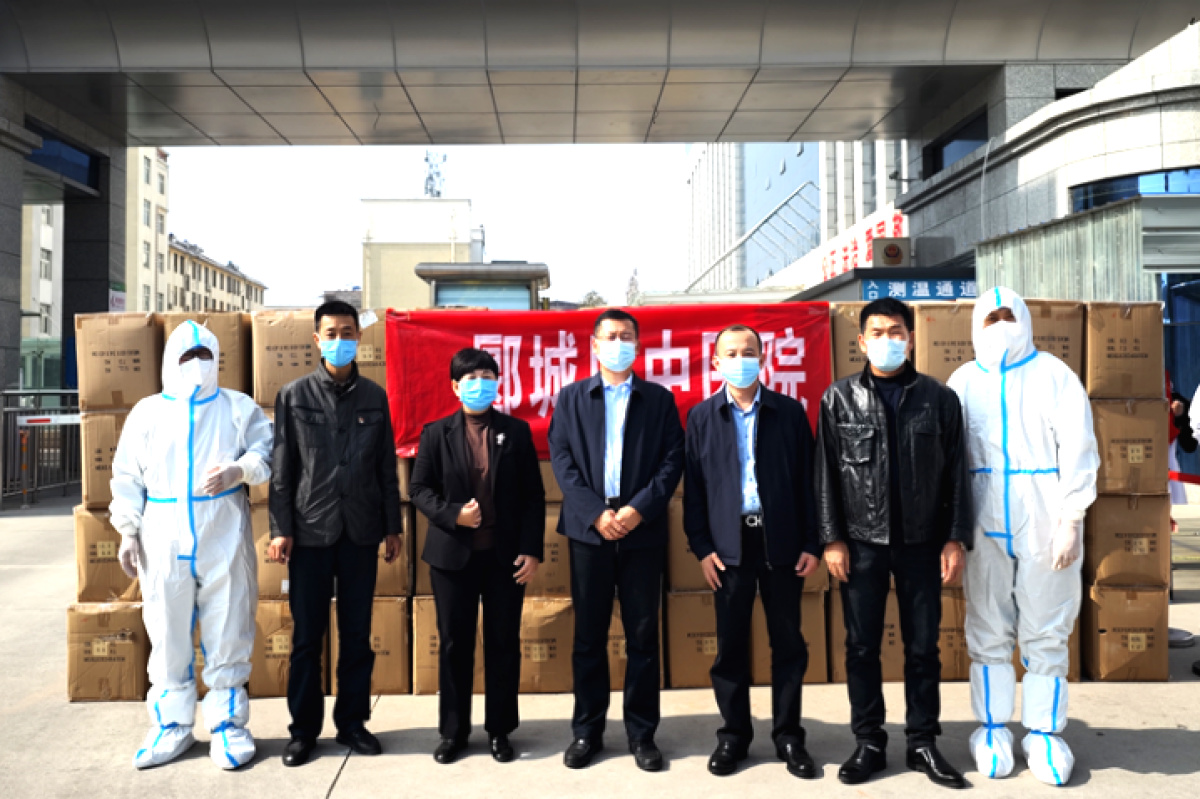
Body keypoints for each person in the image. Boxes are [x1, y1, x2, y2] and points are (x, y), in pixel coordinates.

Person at [815, 297, 972, 789]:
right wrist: (832, 538)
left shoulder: (938, 399)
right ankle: (869, 742)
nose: (888, 341)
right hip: (862, 543)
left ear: (911, 338)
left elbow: (956, 475)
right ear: (862, 342)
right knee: (862, 647)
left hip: (922, 543)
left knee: (923, 647)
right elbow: (825, 474)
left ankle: (923, 742)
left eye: (896, 332)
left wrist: (955, 538)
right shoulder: (838, 399)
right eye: (878, 333)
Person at [947, 287, 1099, 786]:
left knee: (1047, 626)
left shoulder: (1054, 375)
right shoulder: (963, 381)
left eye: (1008, 316)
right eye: (991, 318)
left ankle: (1044, 732)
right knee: (987, 627)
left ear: (1026, 320)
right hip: (981, 517)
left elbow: (1078, 447)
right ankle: (992, 729)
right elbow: (948, 457)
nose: (1001, 326)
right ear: (976, 325)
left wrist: (1071, 517)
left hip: (1043, 515)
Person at [110, 321, 272, 770]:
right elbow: (127, 475)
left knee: (229, 625)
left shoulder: (237, 407)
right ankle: (171, 725)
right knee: (167, 631)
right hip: (162, 533)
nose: (197, 365)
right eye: (187, 356)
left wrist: (239, 470)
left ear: (217, 359)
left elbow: (266, 450)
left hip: (222, 529)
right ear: (170, 361)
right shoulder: (147, 413)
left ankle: (228, 724)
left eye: (205, 356)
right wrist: (127, 529)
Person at [547, 308, 684, 772]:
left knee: (643, 636)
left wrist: (637, 509)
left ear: (638, 345)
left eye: (627, 337)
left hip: (641, 531)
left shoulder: (658, 400)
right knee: (589, 636)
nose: (618, 344)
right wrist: (595, 513)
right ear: (594, 344)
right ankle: (587, 731)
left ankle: (642, 734)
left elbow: (672, 460)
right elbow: (562, 460)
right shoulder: (571, 398)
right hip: (589, 532)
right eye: (610, 336)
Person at [683, 324, 822, 779]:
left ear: (763, 359)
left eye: (749, 352)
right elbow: (694, 491)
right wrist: (702, 548)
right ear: (715, 362)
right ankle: (734, 735)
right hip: (728, 546)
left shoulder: (789, 412)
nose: (740, 360)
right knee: (730, 646)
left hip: (781, 542)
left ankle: (788, 736)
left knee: (788, 643)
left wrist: (812, 542)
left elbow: (809, 481)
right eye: (731, 353)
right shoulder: (702, 417)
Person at [268, 301, 403, 767]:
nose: (340, 340)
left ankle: (352, 723)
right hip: (309, 533)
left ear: (359, 338)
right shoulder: (293, 396)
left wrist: (392, 526)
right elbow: (282, 470)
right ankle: (303, 732)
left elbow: (386, 467)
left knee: (357, 635)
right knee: (307, 638)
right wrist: (280, 529)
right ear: (316, 340)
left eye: (348, 332)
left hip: (361, 532)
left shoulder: (374, 396)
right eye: (331, 333)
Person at [410, 347, 546, 764]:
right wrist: (453, 514)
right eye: (470, 378)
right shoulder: (436, 433)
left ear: (497, 384)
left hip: (505, 559)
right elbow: (419, 490)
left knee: (503, 643)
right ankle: (453, 732)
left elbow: (533, 497)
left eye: (487, 377)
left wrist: (531, 550)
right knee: (455, 643)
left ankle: (500, 730)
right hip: (452, 559)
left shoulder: (516, 431)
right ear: (455, 387)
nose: (479, 385)